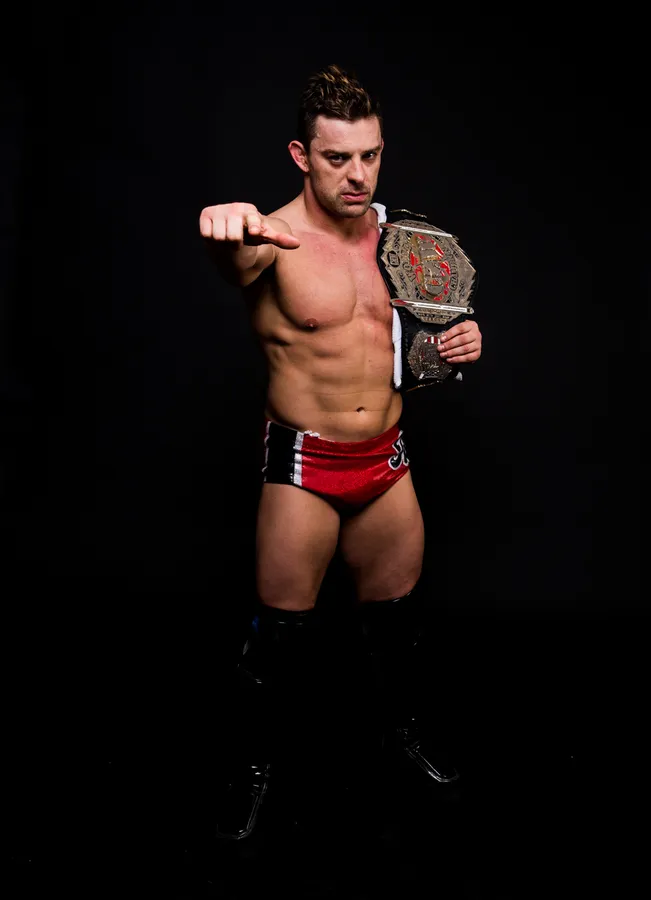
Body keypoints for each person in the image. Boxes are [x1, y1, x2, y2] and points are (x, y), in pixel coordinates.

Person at [199, 64, 482, 840]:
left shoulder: (404, 238)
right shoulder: (271, 238)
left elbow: (419, 342)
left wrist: (458, 344)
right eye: (336, 158)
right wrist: (223, 223)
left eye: (369, 155)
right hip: (305, 465)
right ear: (301, 155)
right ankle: (252, 772)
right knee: (277, 641)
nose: (356, 175)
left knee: (397, 627)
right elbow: (231, 257)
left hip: (386, 461)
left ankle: (405, 740)